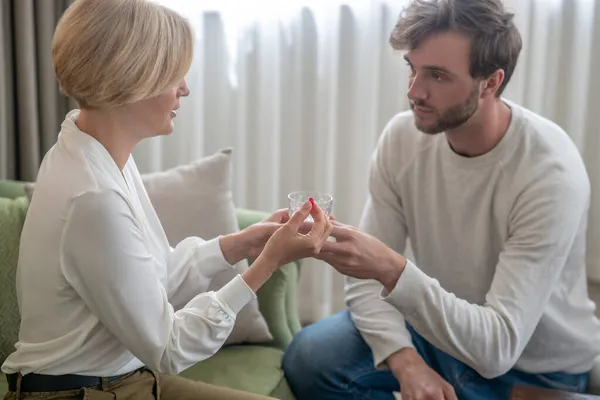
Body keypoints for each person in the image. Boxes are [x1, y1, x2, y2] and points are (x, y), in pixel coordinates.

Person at [1, 0, 333, 399]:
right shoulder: (94, 197)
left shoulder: (93, 149)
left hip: (123, 378)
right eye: (174, 74)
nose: (185, 88)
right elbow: (170, 347)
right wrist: (267, 263)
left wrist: (243, 243)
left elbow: (154, 274)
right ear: (130, 79)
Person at [282, 0, 600, 399]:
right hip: (436, 330)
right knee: (309, 356)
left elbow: (498, 347)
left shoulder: (548, 174)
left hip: (530, 368)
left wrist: (394, 271)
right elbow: (365, 281)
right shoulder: (402, 138)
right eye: (412, 68)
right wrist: (405, 361)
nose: (414, 91)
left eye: (436, 75)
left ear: (490, 82)